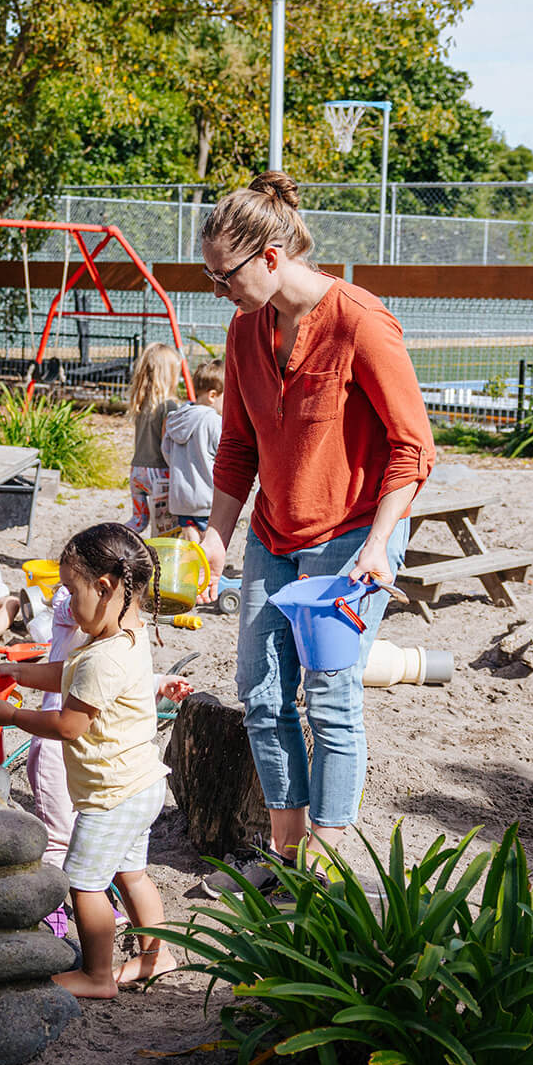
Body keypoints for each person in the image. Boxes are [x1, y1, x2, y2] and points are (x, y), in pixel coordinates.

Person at [195, 171, 433, 896]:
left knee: (330, 694)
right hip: (274, 530)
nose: (218, 289)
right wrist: (215, 535)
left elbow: (413, 446)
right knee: (262, 695)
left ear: (270, 257)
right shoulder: (245, 331)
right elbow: (237, 445)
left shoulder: (361, 319)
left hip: (354, 534)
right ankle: (288, 858)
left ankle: (327, 868)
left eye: (223, 274)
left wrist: (376, 544)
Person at [0, 523, 192, 999]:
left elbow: (69, 726)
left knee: (85, 884)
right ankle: (159, 956)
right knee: (132, 874)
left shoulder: (103, 657)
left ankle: (97, 976)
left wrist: (13, 715)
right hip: (141, 785)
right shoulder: (124, 640)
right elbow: (67, 674)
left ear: (106, 587)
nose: (69, 607)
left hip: (110, 794)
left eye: (72, 594)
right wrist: (19, 671)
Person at [24, 582, 80, 940]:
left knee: (83, 829)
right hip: (55, 741)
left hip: (86, 741)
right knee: (58, 836)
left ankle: (90, 896)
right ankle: (52, 906)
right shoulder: (68, 601)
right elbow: (77, 613)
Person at [162, 358, 226, 538]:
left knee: (190, 541)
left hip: (181, 499)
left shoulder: (176, 418)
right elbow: (224, 454)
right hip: (207, 497)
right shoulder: (213, 421)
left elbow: (167, 452)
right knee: (209, 541)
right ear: (212, 395)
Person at [125, 343, 183, 535]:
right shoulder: (169, 407)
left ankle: (117, 537)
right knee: (164, 528)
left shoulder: (141, 401)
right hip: (159, 474)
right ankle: (159, 561)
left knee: (138, 521)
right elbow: (167, 445)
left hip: (137, 472)